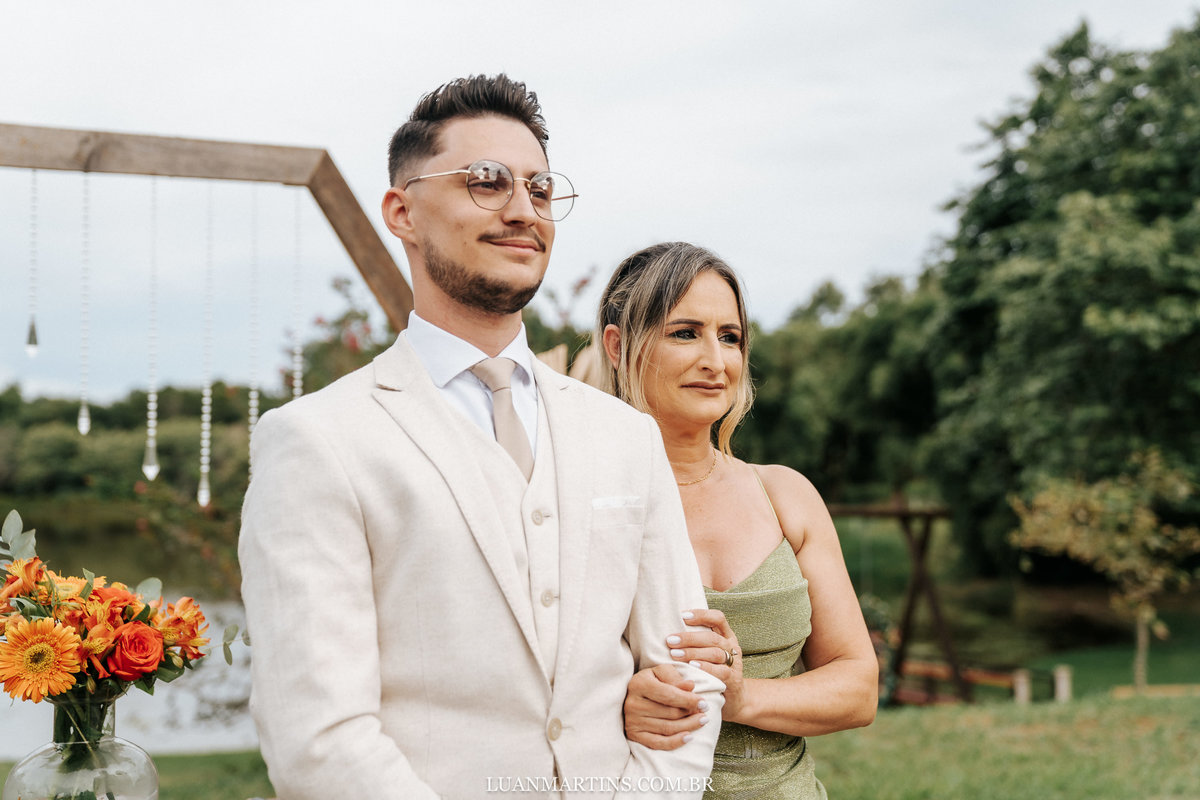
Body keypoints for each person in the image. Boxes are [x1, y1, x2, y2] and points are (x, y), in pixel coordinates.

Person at [238, 77, 724, 799]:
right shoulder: (315, 441)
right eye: (487, 181)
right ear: (402, 212)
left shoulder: (626, 435)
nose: (523, 210)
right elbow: (319, 740)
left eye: (539, 188)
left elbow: (690, 673)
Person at [597, 242, 878, 799]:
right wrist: (613, 707)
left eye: (730, 337)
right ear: (618, 345)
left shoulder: (786, 495)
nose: (716, 360)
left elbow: (858, 687)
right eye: (685, 333)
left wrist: (741, 696)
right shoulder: (584, 502)